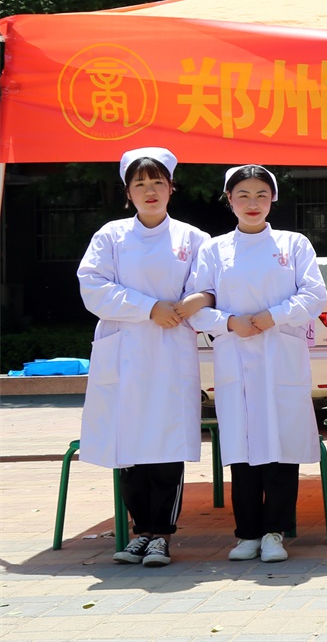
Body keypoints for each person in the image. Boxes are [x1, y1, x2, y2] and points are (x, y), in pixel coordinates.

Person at [77, 148, 212, 568]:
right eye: (140, 184)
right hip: (126, 352)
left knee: (167, 441)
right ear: (128, 192)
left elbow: (208, 286)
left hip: (171, 350)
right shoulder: (110, 237)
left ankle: (162, 536)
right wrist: (148, 308)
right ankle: (140, 532)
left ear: (171, 188)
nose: (150, 191)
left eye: (158, 183)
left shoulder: (193, 239)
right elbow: (93, 287)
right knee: (130, 444)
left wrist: (189, 304)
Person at [188, 165, 326, 563]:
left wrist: (273, 316)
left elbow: (313, 296)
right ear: (229, 200)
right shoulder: (213, 250)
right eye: (243, 195)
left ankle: (275, 532)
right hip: (235, 355)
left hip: (280, 354)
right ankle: (247, 533)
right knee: (242, 447)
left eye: (261, 195)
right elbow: (198, 305)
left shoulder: (293, 244)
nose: (253, 203)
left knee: (281, 446)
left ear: (273, 199)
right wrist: (229, 323)